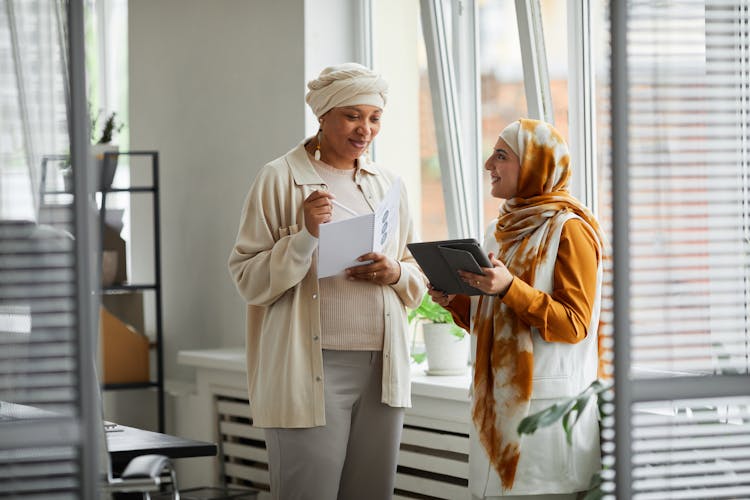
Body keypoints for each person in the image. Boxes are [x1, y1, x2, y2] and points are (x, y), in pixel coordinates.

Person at [227, 62, 426, 500]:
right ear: (323, 116)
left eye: (374, 118)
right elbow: (247, 278)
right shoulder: (279, 178)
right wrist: (305, 237)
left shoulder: (389, 184)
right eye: (353, 116)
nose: (365, 130)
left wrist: (395, 272)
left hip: (382, 367)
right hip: (309, 365)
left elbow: (416, 275)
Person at [428, 119, 605, 499]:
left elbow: (574, 324)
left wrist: (509, 287)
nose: (488, 164)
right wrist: (455, 299)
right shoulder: (499, 229)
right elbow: (492, 318)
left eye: (501, 155)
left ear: (535, 165)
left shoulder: (570, 229)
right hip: (496, 406)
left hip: (545, 416)